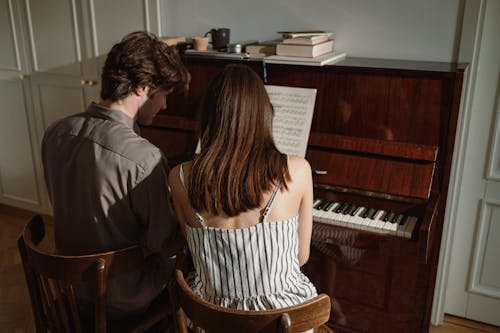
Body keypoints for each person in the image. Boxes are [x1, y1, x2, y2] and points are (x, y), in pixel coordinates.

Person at [41, 31, 190, 318]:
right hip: (121, 298)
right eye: (163, 96)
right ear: (142, 88)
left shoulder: (55, 133)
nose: (165, 106)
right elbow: (161, 240)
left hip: (70, 287)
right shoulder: (144, 157)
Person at [168, 64, 317, 312]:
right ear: (264, 113)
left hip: (212, 322)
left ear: (209, 117)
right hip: (278, 323)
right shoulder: (298, 170)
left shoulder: (179, 177)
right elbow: (301, 257)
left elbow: (195, 252)